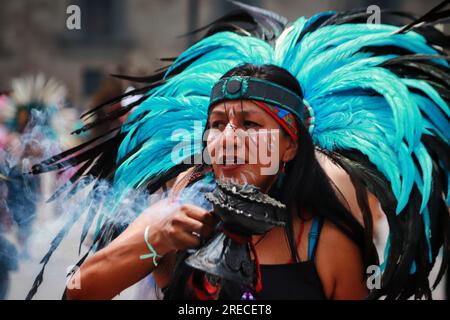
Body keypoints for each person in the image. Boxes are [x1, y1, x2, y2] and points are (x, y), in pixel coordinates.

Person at [28, 1, 449, 300]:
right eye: (217, 125)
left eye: (250, 124)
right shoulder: (174, 214)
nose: (228, 137)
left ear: (288, 146)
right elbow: (77, 291)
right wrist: (154, 241)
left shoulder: (325, 240)